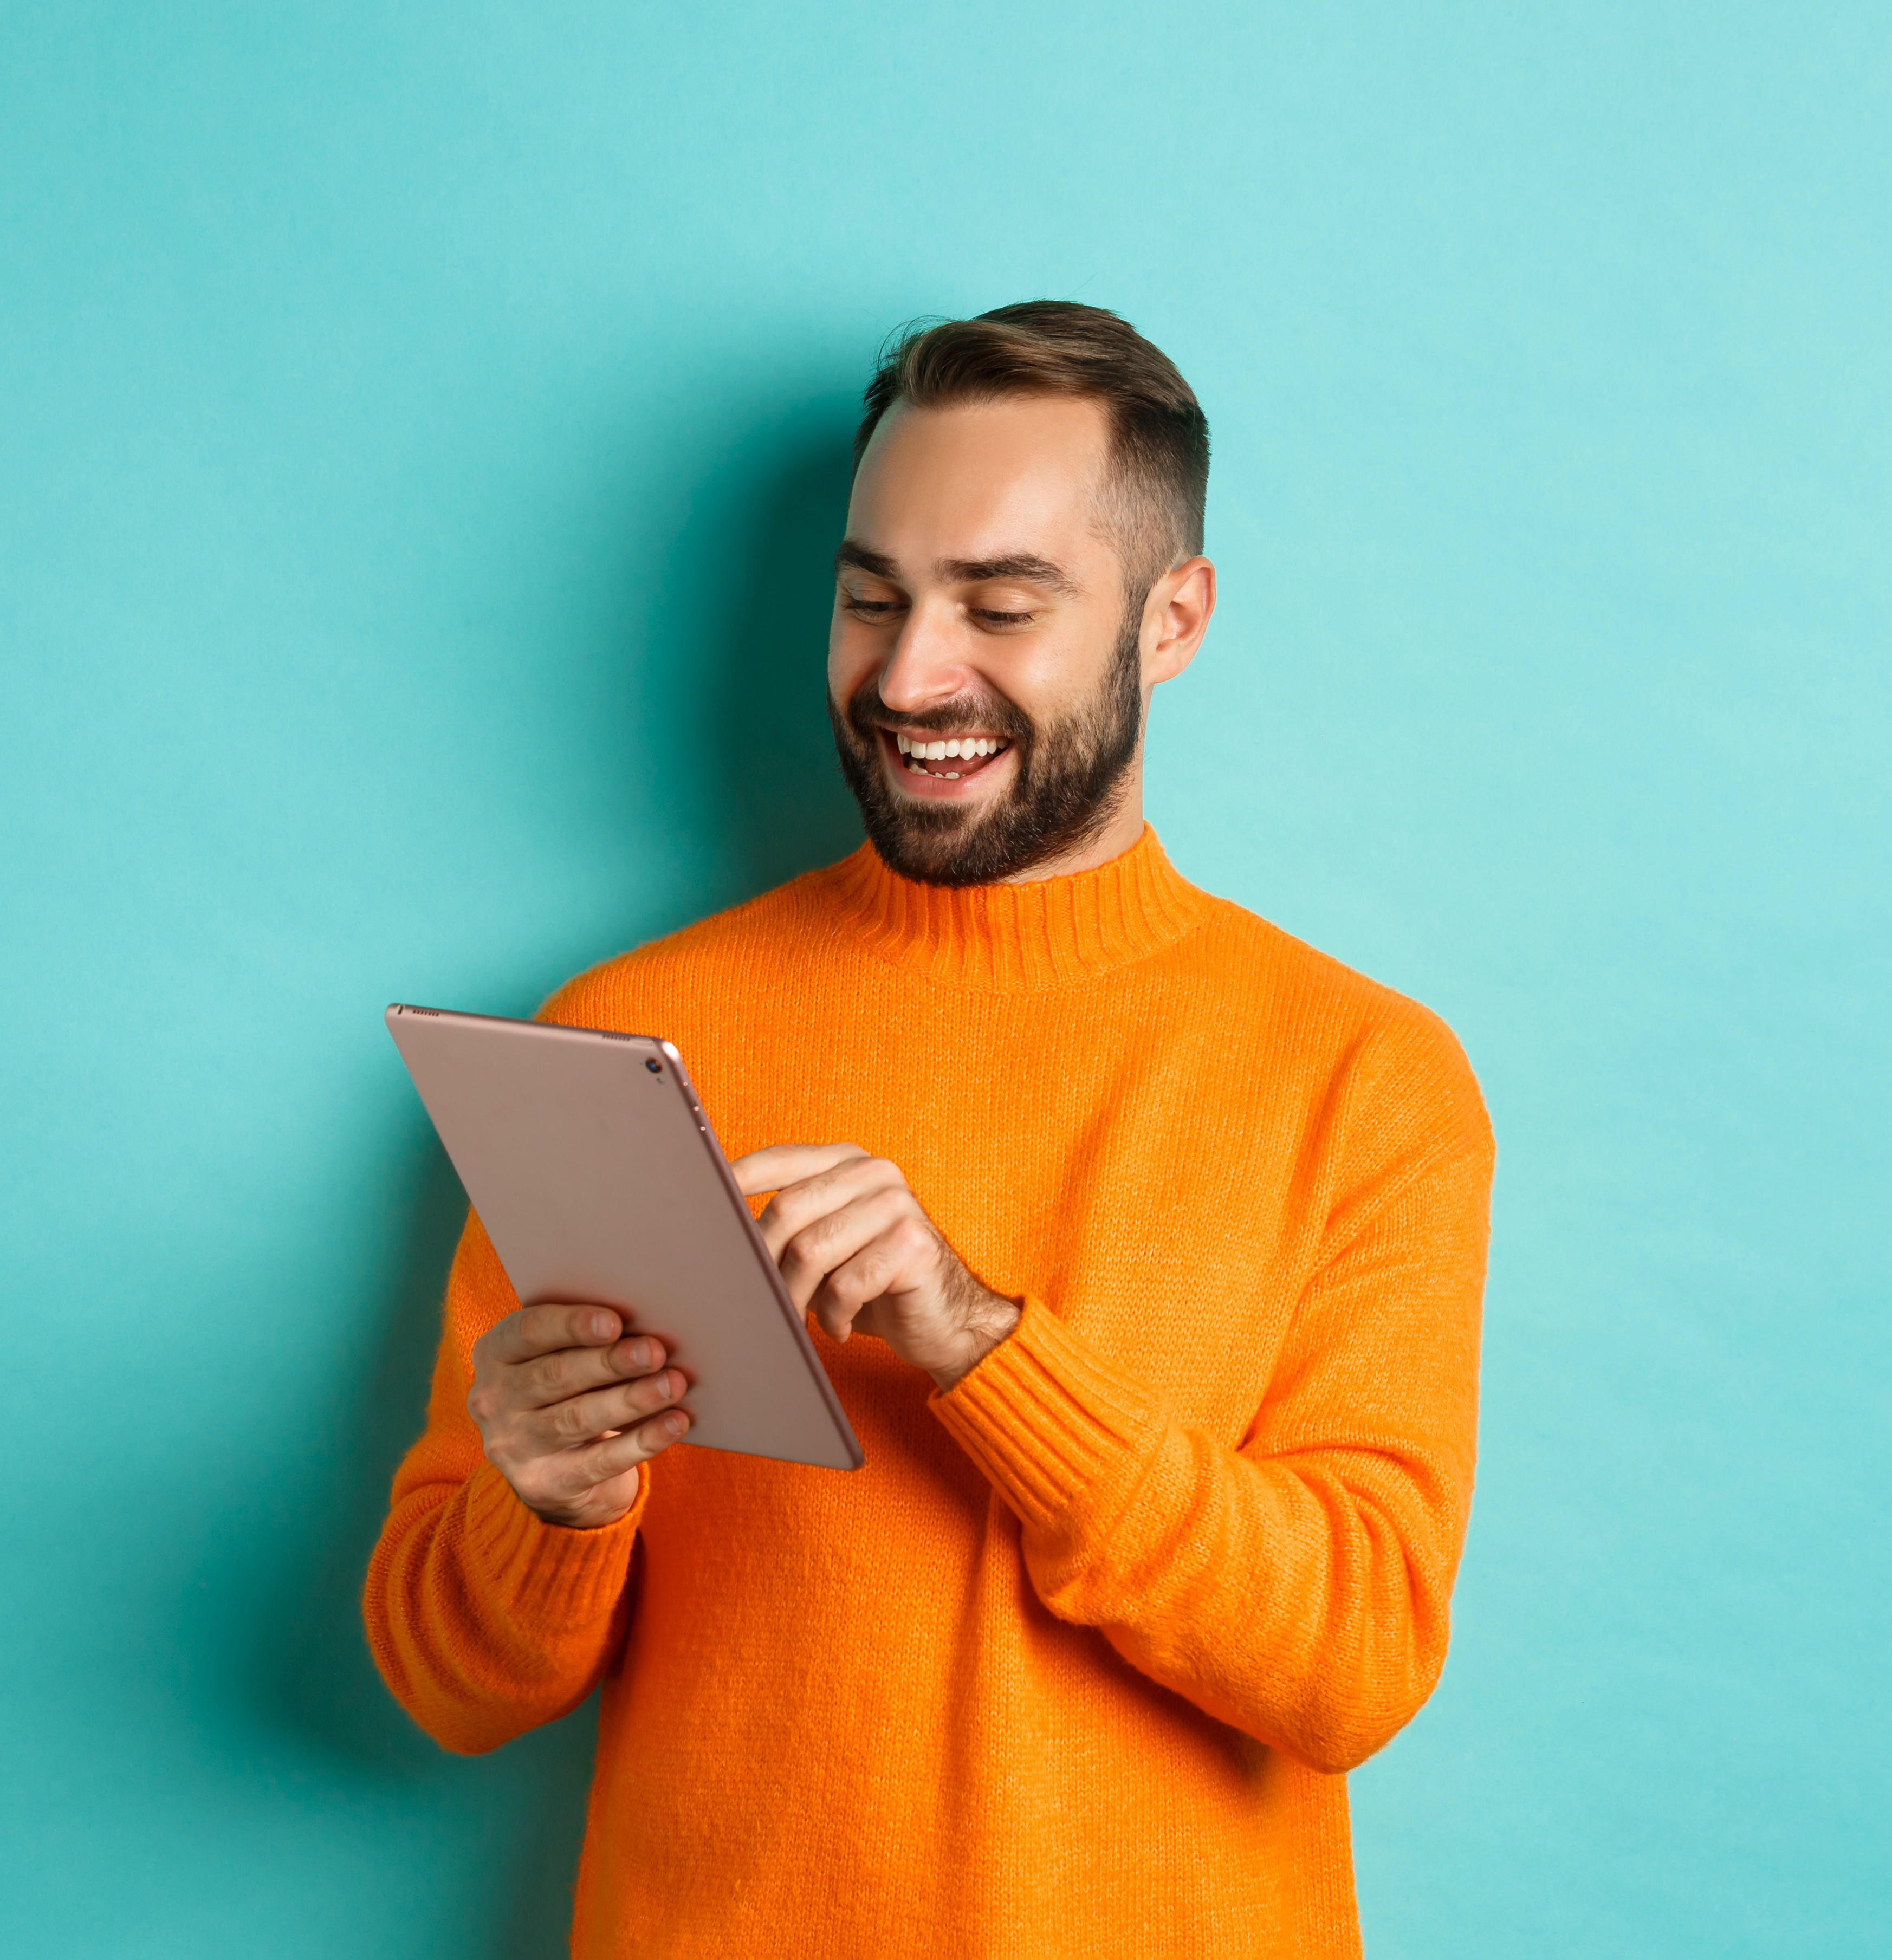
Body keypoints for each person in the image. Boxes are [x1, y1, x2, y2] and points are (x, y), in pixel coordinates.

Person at [360, 300, 1493, 1958]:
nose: (906, 676)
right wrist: (544, 1502)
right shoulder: (620, 1038)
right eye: (870, 596)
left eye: (1000, 604)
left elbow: (1352, 1666)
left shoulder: (1360, 1075)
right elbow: (445, 1684)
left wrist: (976, 1345)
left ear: (1169, 620)